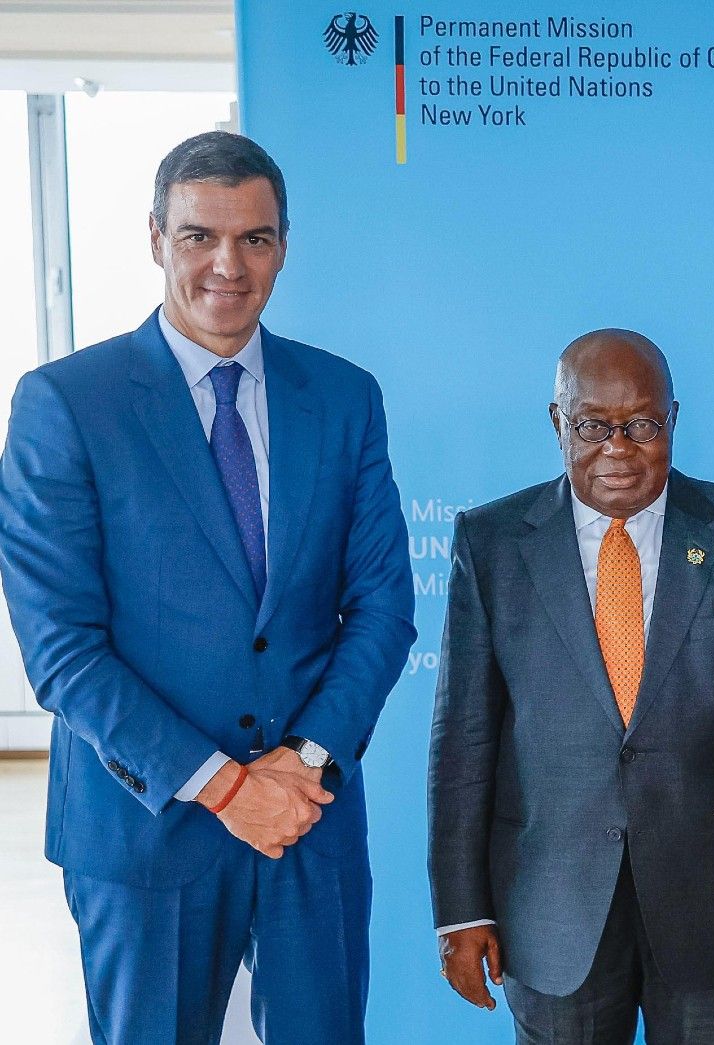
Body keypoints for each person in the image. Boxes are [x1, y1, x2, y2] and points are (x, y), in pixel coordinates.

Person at [0, 131, 416, 1044]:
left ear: (283, 244)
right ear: (157, 239)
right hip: (145, 830)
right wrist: (228, 788)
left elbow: (383, 606)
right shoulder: (66, 404)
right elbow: (63, 649)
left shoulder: (345, 398)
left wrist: (302, 767)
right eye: (199, 237)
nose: (228, 264)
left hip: (309, 820)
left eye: (255, 238)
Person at [428, 329, 714, 1044]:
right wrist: (462, 911)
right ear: (558, 422)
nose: (618, 446)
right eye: (592, 425)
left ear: (672, 419)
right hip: (550, 912)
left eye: (641, 424)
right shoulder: (491, 543)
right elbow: (464, 743)